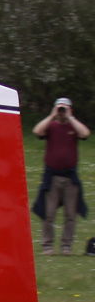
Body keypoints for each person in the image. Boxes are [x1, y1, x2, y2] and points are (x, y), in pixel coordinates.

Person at [32, 97, 90, 255]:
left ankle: (66, 246)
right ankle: (47, 246)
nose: (61, 112)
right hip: (52, 176)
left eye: (64, 108)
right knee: (48, 214)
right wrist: (52, 115)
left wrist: (71, 117)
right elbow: (37, 131)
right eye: (59, 108)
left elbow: (85, 133)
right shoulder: (51, 126)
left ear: (70, 110)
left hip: (70, 177)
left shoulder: (73, 127)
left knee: (71, 214)